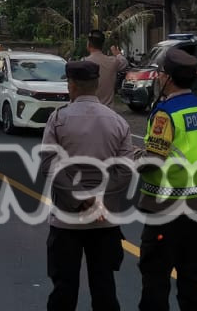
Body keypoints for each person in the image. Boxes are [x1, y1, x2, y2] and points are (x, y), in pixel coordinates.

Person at [37, 60, 133, 311]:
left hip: (67, 220)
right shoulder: (118, 122)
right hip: (104, 222)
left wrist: (81, 198)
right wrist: (99, 199)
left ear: (71, 85)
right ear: (96, 85)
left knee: (64, 289)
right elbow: (125, 170)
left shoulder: (58, 119)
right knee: (104, 288)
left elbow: (49, 165)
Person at [136, 49, 197, 311]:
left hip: (165, 208)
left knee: (156, 279)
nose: (158, 77)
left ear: (168, 78)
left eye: (160, 73)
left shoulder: (165, 113)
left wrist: (133, 160)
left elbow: (154, 162)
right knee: (192, 279)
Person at [83, 30, 129, 107]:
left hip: (90, 110)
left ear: (88, 44)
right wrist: (117, 54)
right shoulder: (113, 62)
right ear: (102, 45)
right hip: (108, 110)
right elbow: (124, 63)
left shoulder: (84, 62)